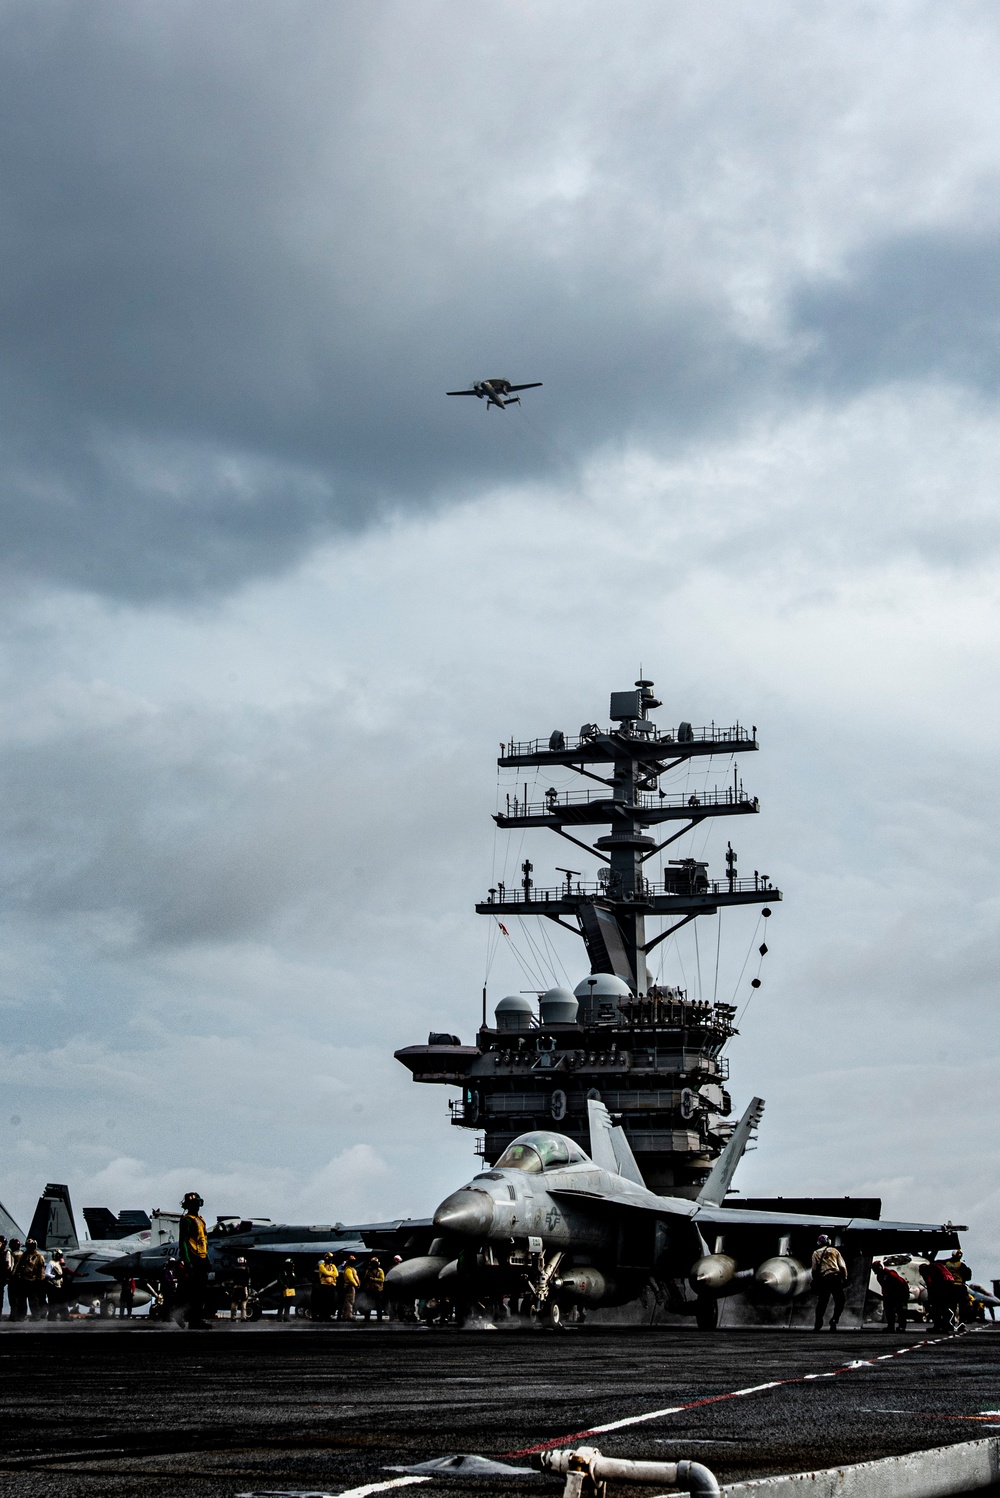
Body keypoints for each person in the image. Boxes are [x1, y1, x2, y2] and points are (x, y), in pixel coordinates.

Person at [178, 1191, 212, 1328]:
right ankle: (192, 1319)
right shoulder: (187, 1220)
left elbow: (204, 1241)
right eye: (193, 1204)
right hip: (193, 1259)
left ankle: (196, 1320)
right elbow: (183, 1242)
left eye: (197, 1203)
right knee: (194, 1292)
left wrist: (207, 1259)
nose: (197, 1206)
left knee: (201, 1292)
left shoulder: (200, 1219)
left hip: (202, 1258)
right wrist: (188, 1261)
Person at [811, 1234, 848, 1331]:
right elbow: (842, 1266)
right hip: (835, 1278)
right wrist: (845, 1277)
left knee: (822, 1302)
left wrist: (816, 1280)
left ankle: (818, 1322)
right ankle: (834, 1320)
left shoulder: (815, 1253)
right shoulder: (834, 1251)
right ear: (828, 1241)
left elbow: (814, 1270)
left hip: (823, 1280)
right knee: (840, 1301)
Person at [13, 1238, 47, 1320]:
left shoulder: (39, 1256)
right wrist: (15, 1275)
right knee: (22, 1300)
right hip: (24, 1280)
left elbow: (41, 1269)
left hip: (34, 1280)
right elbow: (18, 1266)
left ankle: (36, 1316)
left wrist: (41, 1280)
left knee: (33, 1299)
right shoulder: (24, 1255)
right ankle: (21, 1315)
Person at [874, 1260, 910, 1332]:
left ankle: (902, 1327)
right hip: (889, 1295)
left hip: (898, 1294)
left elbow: (901, 1282)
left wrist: (904, 1294)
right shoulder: (879, 1276)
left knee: (900, 1311)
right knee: (889, 1311)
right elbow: (884, 1286)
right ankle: (891, 1326)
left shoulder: (890, 1274)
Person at [945, 1250, 972, 1328]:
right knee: (962, 1306)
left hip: (949, 1287)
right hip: (960, 1287)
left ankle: (950, 1322)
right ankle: (961, 1324)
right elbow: (968, 1277)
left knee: (950, 1306)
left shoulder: (947, 1264)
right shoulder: (961, 1265)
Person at [312, 1254, 338, 1322]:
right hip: (324, 1285)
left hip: (331, 1285)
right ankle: (321, 1316)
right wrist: (331, 1273)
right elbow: (326, 1273)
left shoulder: (333, 1266)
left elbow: (336, 1274)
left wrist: (329, 1274)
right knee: (323, 1302)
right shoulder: (321, 1266)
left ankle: (328, 1316)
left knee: (330, 1302)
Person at [228, 1257, 252, 1321]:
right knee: (244, 1302)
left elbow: (232, 1279)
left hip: (235, 1288)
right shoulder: (246, 1269)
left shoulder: (234, 1269)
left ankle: (233, 1317)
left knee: (234, 1302)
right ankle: (243, 1317)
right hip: (243, 1288)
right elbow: (247, 1279)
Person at [362, 1256, 386, 1322]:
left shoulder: (380, 1271)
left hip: (378, 1290)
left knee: (378, 1305)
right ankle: (367, 1318)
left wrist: (373, 1279)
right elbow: (365, 1278)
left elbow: (382, 1280)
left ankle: (379, 1318)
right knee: (368, 1304)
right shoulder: (368, 1270)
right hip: (370, 1289)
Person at [45, 1252, 68, 1321]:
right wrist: (55, 1276)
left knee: (60, 1302)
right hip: (52, 1285)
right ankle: (52, 1317)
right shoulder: (51, 1263)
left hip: (59, 1285)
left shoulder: (57, 1263)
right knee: (53, 1302)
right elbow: (47, 1274)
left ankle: (63, 1316)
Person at [339, 1255, 360, 1321]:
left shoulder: (352, 1269)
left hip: (352, 1286)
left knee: (349, 1301)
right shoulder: (348, 1270)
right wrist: (356, 1285)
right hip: (350, 1286)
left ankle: (346, 1315)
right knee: (349, 1301)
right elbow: (351, 1279)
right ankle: (348, 1315)